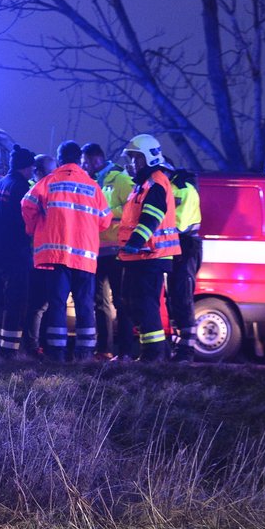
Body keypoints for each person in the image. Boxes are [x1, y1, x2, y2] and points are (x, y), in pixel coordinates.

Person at [22, 140, 111, 362]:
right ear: (80, 159)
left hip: (57, 256)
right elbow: (105, 220)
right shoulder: (93, 186)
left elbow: (27, 205)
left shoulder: (48, 182)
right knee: (85, 306)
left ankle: (57, 354)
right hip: (85, 258)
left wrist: (34, 227)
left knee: (57, 304)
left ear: (60, 159)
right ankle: (84, 354)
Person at [117, 134, 181, 362]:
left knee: (145, 305)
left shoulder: (155, 182)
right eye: (132, 158)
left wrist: (135, 242)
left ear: (149, 158)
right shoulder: (144, 184)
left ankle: (153, 356)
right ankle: (154, 353)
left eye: (136, 158)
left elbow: (152, 216)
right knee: (132, 303)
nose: (133, 163)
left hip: (149, 255)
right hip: (139, 256)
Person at [80, 142, 136, 359]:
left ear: (96, 160)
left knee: (121, 302)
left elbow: (132, 208)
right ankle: (104, 349)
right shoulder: (92, 182)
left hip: (116, 249)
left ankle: (126, 351)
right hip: (97, 250)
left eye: (86, 162)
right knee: (99, 303)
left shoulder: (120, 179)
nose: (83, 167)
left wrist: (106, 212)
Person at [0, 144, 36, 356]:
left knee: (2, 301)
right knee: (16, 302)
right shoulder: (22, 188)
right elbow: (26, 222)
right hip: (17, 252)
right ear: (26, 168)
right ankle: (10, 351)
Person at [161, 159, 203, 362]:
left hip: (186, 247)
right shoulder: (168, 188)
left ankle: (186, 351)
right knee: (173, 300)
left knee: (183, 298)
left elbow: (179, 224)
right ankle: (178, 347)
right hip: (174, 248)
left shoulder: (183, 190)